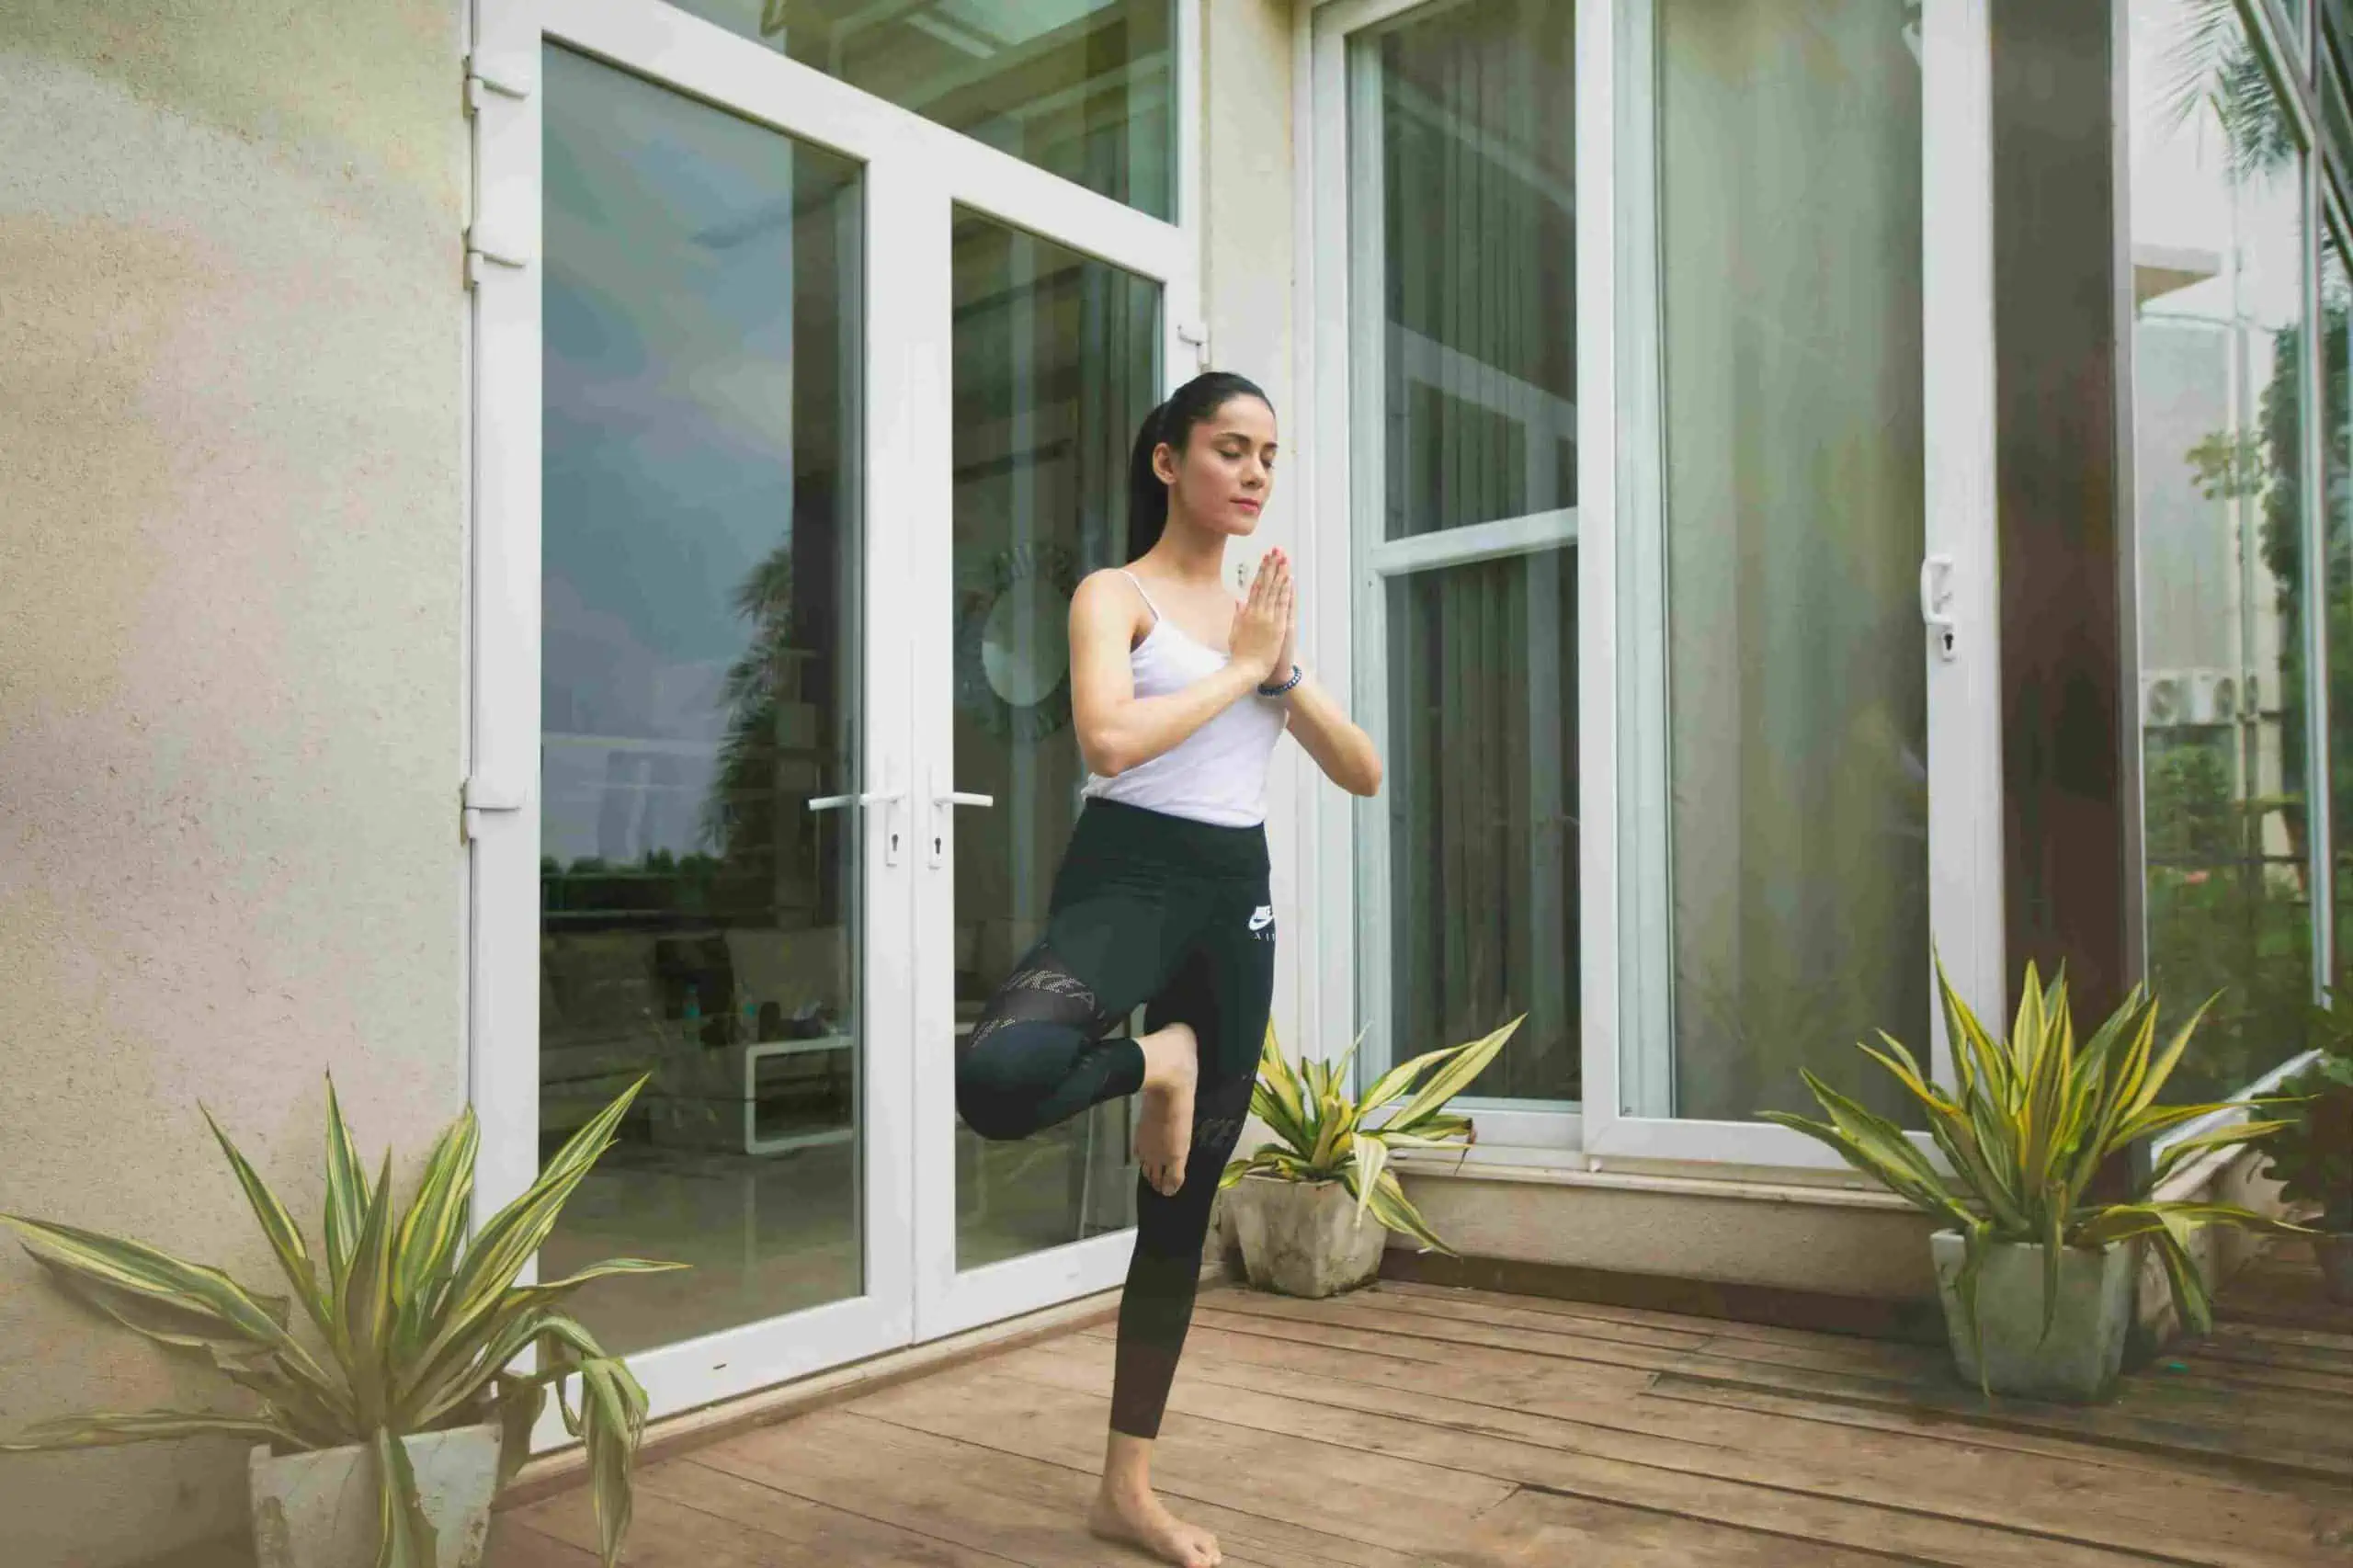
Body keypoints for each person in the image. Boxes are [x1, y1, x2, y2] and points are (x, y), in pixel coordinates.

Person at [954, 370, 1381, 1568]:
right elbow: (1106, 735)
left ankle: (1124, 1488)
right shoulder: (1118, 596)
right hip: (1124, 882)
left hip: (1228, 901)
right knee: (997, 1078)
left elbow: (1363, 770)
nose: (1252, 473)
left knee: (1178, 1212)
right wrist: (1242, 670)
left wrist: (1281, 671)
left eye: (1268, 456)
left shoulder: (1260, 632)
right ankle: (1162, 1061)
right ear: (1167, 461)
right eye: (1229, 448)